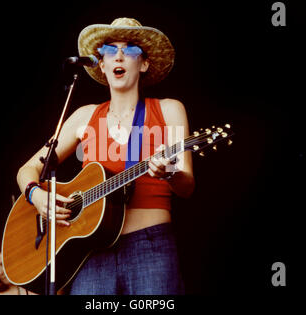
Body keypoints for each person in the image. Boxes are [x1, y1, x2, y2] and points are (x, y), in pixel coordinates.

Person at [17, 17, 194, 294]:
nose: (119, 56)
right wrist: (36, 195)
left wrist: (169, 172)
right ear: (101, 64)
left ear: (144, 64)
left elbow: (187, 187)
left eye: (130, 50)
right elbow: (26, 170)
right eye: (110, 50)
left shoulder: (169, 110)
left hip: (150, 246)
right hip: (91, 251)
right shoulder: (83, 116)